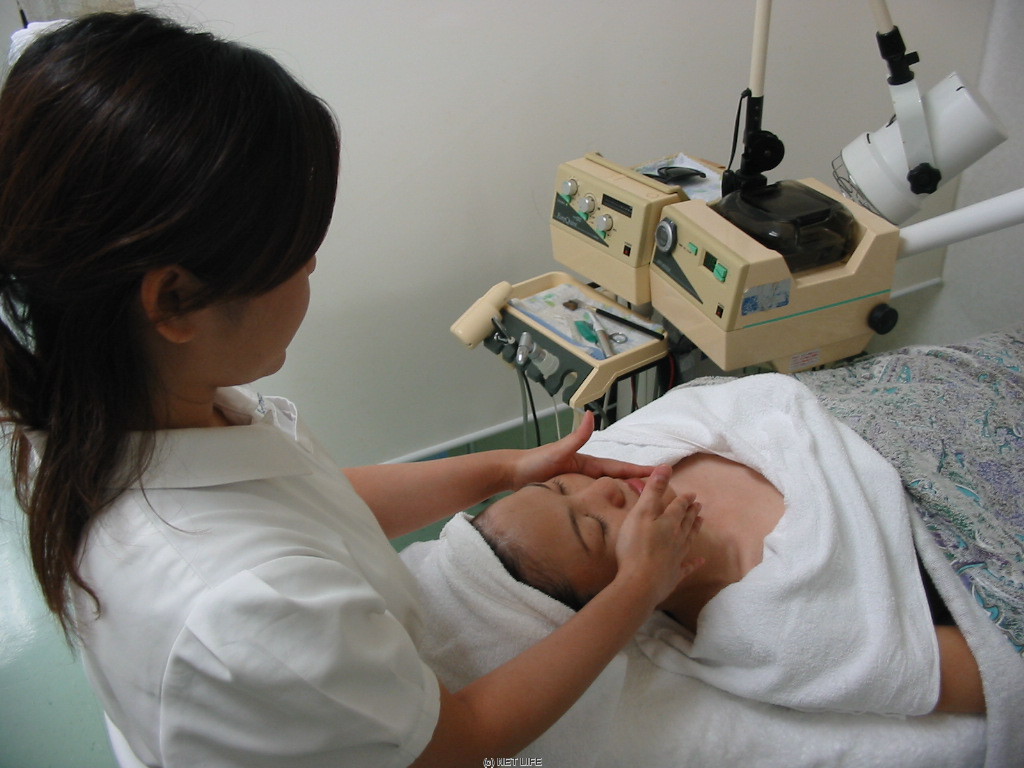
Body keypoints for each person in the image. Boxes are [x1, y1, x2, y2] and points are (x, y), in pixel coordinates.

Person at [0, 13, 705, 768]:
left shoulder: (101, 403)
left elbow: (310, 500)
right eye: (297, 254)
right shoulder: (244, 608)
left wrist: (507, 468)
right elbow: (457, 741)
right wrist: (638, 587)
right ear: (173, 301)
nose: (312, 269)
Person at [471, 375, 986, 716]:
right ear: (620, 600)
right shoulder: (773, 632)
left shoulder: (632, 448)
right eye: (595, 529)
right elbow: (987, 669)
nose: (601, 489)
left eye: (561, 486)